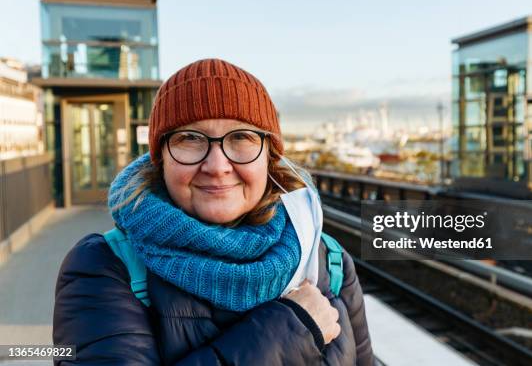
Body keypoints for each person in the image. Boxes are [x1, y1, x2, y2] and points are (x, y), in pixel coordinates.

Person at [53, 58, 374, 365]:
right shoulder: (104, 268)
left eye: (242, 138)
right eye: (190, 139)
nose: (217, 166)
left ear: (270, 157)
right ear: (160, 158)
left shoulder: (329, 260)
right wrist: (291, 330)